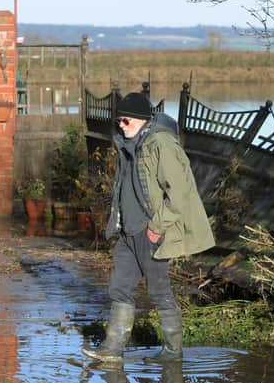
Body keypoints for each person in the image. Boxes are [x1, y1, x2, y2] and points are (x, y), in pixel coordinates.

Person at [82, 92, 214, 363]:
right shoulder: (128, 145)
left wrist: (157, 226)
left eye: (125, 120)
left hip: (150, 230)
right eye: (119, 120)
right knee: (119, 288)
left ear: (142, 119)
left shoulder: (161, 144)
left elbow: (179, 192)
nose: (121, 124)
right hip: (127, 232)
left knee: (159, 291)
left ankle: (173, 352)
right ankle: (112, 349)